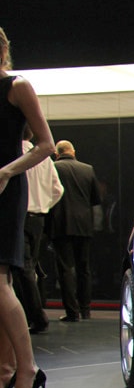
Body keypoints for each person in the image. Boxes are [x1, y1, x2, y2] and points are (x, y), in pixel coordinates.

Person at [0, 27, 54, 388]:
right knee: (1, 285)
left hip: (6, 190)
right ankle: (6, 370)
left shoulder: (17, 86)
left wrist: (6, 172)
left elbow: (45, 144)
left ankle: (28, 370)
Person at [14, 126, 63, 334]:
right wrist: (43, 205)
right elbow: (58, 190)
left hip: (19, 217)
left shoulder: (15, 155)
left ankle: (36, 317)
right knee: (30, 267)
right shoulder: (45, 159)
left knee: (22, 269)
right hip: (38, 218)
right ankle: (32, 315)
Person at [50, 140, 101, 322]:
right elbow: (96, 198)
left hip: (61, 223)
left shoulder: (53, 168)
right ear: (73, 152)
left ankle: (72, 311)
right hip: (83, 224)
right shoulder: (87, 169)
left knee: (65, 269)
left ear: (57, 154)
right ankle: (85, 309)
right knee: (83, 268)